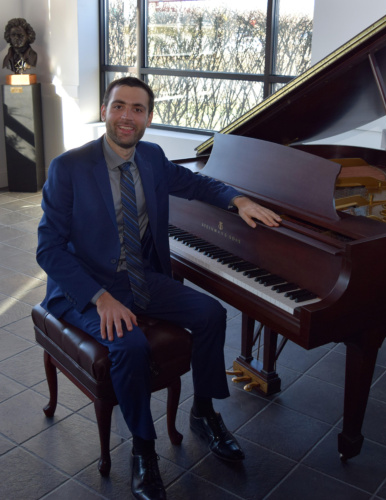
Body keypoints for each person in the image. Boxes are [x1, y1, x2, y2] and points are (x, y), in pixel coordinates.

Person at [37, 76, 282, 500]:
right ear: (104, 111)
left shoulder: (151, 157)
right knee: (130, 346)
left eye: (136, 109)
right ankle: (143, 449)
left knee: (211, 314)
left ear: (149, 118)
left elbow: (199, 184)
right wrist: (100, 297)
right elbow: (49, 249)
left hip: (141, 276)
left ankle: (203, 412)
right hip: (87, 286)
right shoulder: (69, 167)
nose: (126, 116)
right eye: (118, 107)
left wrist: (238, 200)